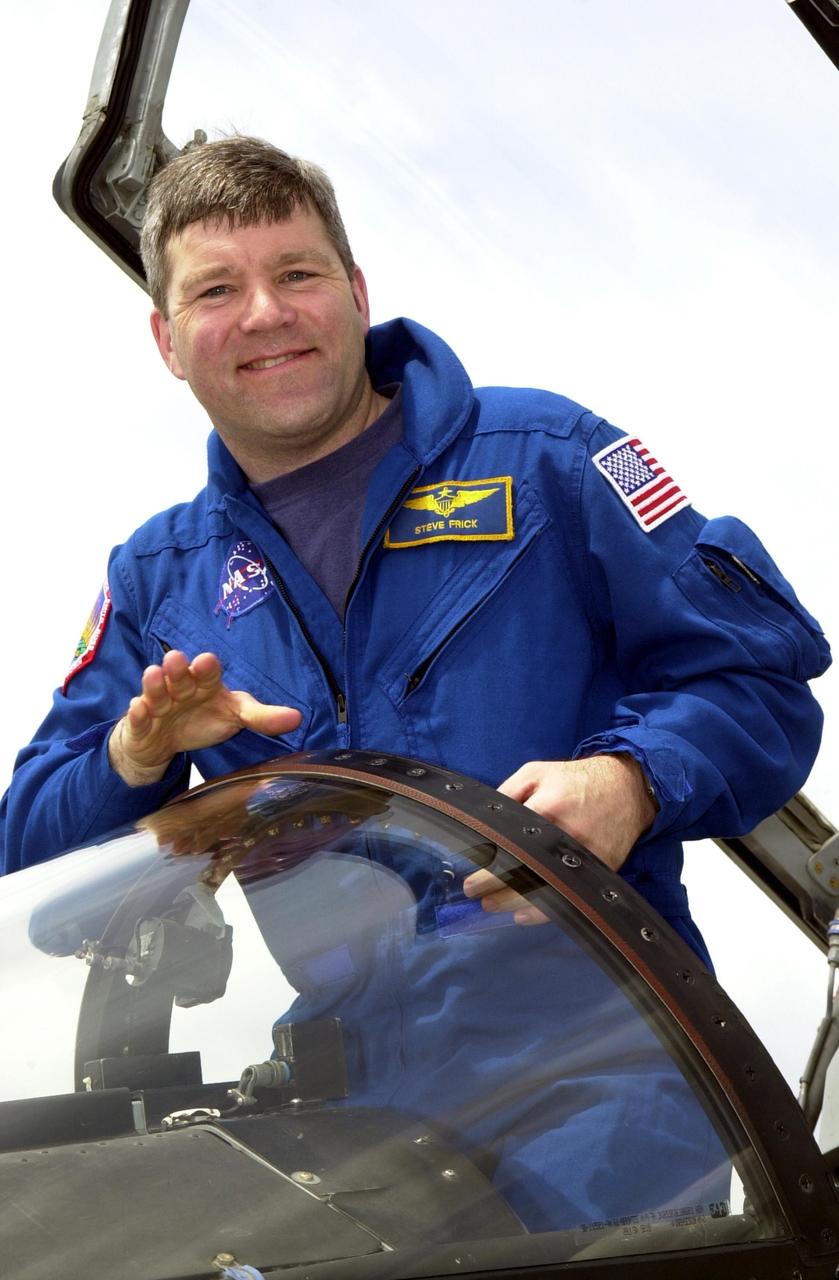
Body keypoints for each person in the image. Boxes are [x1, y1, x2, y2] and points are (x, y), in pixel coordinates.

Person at [0, 137, 830, 972]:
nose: (264, 313)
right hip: (345, 1083)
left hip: (605, 1054)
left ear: (355, 295)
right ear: (167, 342)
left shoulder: (550, 461)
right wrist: (134, 755)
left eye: (296, 274)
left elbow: (758, 682)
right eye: (216, 290)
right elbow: (29, 868)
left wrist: (630, 782)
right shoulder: (158, 582)